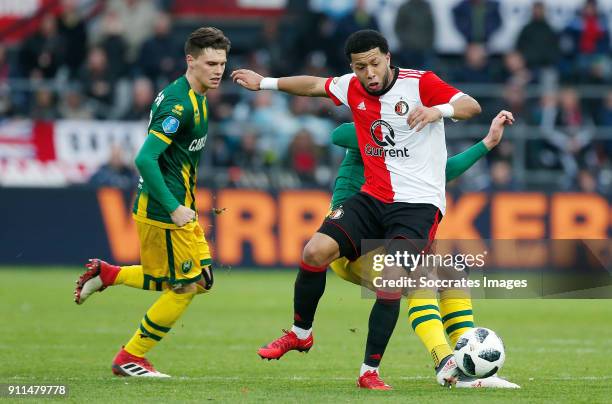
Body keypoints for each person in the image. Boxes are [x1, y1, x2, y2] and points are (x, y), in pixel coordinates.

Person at [232, 29, 481, 389]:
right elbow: (315, 85)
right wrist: (265, 83)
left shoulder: (420, 84)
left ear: (388, 58)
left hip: (417, 206)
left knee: (393, 279)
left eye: (374, 64)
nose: (369, 73)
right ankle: (301, 332)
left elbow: (471, 105)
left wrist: (436, 111)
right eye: (360, 67)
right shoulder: (352, 86)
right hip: (372, 197)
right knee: (314, 251)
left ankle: (369, 372)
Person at [74, 27, 231, 378]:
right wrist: (174, 207)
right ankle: (131, 356)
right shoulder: (179, 104)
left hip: (177, 206)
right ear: (190, 61)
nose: (218, 69)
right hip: (165, 210)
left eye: (221, 62)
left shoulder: (198, 96)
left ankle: (110, 274)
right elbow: (145, 158)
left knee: (193, 280)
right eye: (210, 63)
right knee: (187, 285)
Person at [328, 112, 519, 389]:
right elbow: (338, 135)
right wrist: (394, 130)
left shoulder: (410, 154)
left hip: (385, 239)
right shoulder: (379, 131)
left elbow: (443, 172)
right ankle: (445, 362)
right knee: (420, 278)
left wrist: (488, 142)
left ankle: (466, 364)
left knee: (453, 275)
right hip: (352, 242)